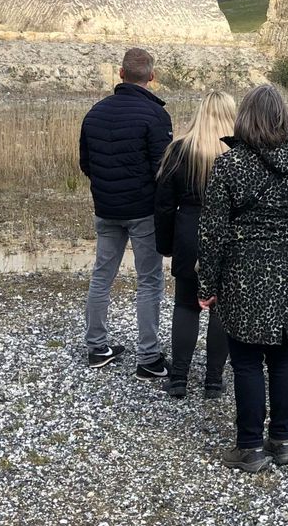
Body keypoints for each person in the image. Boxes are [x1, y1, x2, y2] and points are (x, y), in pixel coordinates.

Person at [197, 84, 288, 473]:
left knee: (245, 362)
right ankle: (283, 440)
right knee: (284, 357)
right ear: (283, 118)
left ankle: (250, 447)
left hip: (243, 276)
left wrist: (206, 285)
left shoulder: (229, 165)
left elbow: (212, 233)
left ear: (245, 119)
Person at [79, 47, 172, 378]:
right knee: (149, 280)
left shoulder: (94, 112)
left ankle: (97, 346)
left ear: (120, 74)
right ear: (151, 77)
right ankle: (148, 357)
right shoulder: (156, 116)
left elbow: (86, 164)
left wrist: (108, 188)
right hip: (142, 210)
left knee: (102, 274)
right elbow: (162, 169)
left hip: (106, 208)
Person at [154, 90, 236, 400]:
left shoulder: (178, 150)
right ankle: (214, 381)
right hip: (227, 238)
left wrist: (166, 244)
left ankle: (179, 378)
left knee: (186, 306)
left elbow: (163, 205)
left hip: (188, 234)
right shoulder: (237, 154)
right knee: (221, 310)